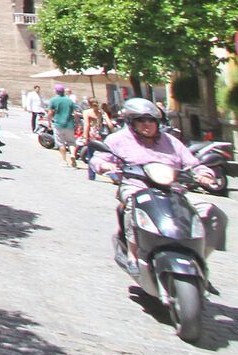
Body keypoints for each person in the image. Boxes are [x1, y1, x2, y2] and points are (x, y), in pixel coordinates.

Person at [89, 98, 213, 264]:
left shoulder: (171, 141)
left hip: (174, 191)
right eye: (141, 120)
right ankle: (133, 257)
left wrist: (204, 174)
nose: (147, 124)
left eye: (151, 120)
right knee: (133, 207)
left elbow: (192, 163)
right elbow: (98, 159)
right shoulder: (117, 140)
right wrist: (106, 165)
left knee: (213, 213)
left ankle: (200, 259)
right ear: (131, 122)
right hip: (137, 188)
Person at [47, 84, 79, 167]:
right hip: (69, 124)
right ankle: (72, 154)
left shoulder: (53, 100)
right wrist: (77, 123)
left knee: (61, 143)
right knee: (71, 142)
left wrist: (49, 122)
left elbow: (50, 113)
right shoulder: (69, 100)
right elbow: (75, 113)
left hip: (58, 124)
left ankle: (64, 160)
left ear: (56, 91)